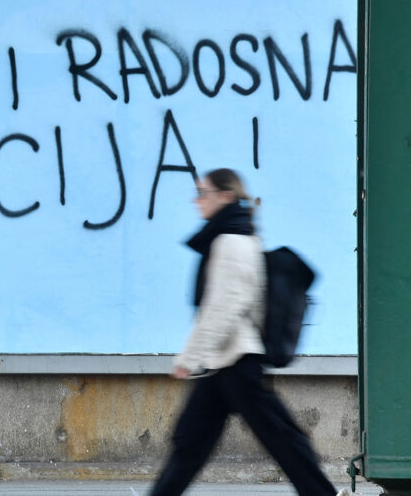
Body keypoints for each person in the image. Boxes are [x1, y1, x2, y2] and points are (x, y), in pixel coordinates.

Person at [149, 169, 348, 496]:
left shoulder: (231, 241)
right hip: (223, 362)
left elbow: (225, 305)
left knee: (281, 439)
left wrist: (191, 357)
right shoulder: (229, 237)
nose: (196, 201)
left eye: (203, 193)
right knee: (190, 444)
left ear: (225, 196)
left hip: (237, 362)